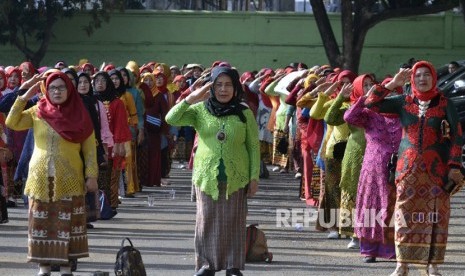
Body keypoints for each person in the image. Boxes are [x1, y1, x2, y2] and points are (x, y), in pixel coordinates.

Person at [365, 61, 464, 276]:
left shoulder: (444, 103)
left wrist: (454, 165)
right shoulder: (403, 101)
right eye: (418, 75)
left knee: (436, 217)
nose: (422, 79)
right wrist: (393, 83)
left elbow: (457, 135)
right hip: (407, 170)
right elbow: (370, 104)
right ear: (412, 79)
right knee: (404, 216)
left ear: (433, 78)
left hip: (437, 171)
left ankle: (433, 265)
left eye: (426, 75)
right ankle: (402, 265)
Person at [166, 66, 260, 276]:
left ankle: (232, 266)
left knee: (234, 221)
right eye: (218, 85)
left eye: (228, 85)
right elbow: (171, 118)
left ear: (236, 88)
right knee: (206, 221)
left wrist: (254, 177)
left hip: (237, 176)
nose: (223, 89)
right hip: (207, 175)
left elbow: (253, 146)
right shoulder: (200, 110)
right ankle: (206, 265)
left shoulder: (244, 113)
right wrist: (192, 97)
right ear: (211, 87)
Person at [5, 72, 98, 276]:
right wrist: (25, 94)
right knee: (40, 223)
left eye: (61, 87)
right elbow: (12, 122)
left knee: (67, 222)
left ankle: (66, 267)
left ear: (69, 90)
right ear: (46, 90)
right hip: (39, 177)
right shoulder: (38, 111)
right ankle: (43, 266)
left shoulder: (80, 114)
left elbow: (90, 148)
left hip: (70, 177)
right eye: (53, 88)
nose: (57, 91)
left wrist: (92, 175)